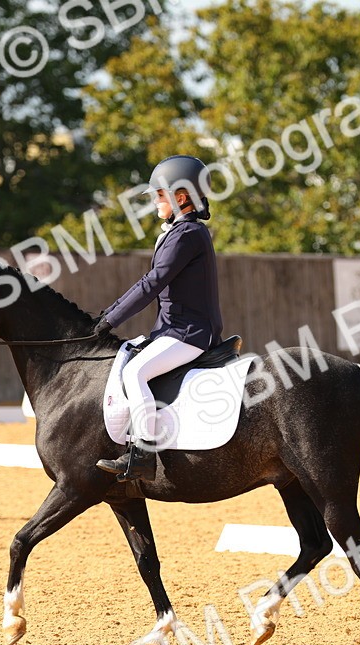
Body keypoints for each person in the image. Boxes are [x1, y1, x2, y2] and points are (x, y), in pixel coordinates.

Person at [95, 155, 223, 482]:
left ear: (181, 197)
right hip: (173, 330)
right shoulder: (181, 231)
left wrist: (110, 318)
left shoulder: (187, 234)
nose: (154, 202)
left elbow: (152, 283)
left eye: (160, 195)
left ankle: (142, 455)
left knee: (136, 372)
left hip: (189, 333)